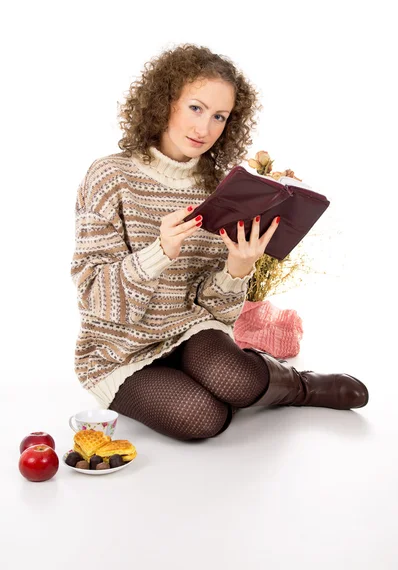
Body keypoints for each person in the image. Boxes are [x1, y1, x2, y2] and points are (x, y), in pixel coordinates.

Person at [70, 43, 369, 441]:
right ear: (165, 101)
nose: (205, 128)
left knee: (240, 382)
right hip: (119, 351)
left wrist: (237, 269)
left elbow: (218, 311)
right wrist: (159, 254)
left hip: (191, 330)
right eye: (195, 108)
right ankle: (211, 381)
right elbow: (94, 297)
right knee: (203, 419)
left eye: (219, 117)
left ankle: (300, 386)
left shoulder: (221, 188)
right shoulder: (109, 177)